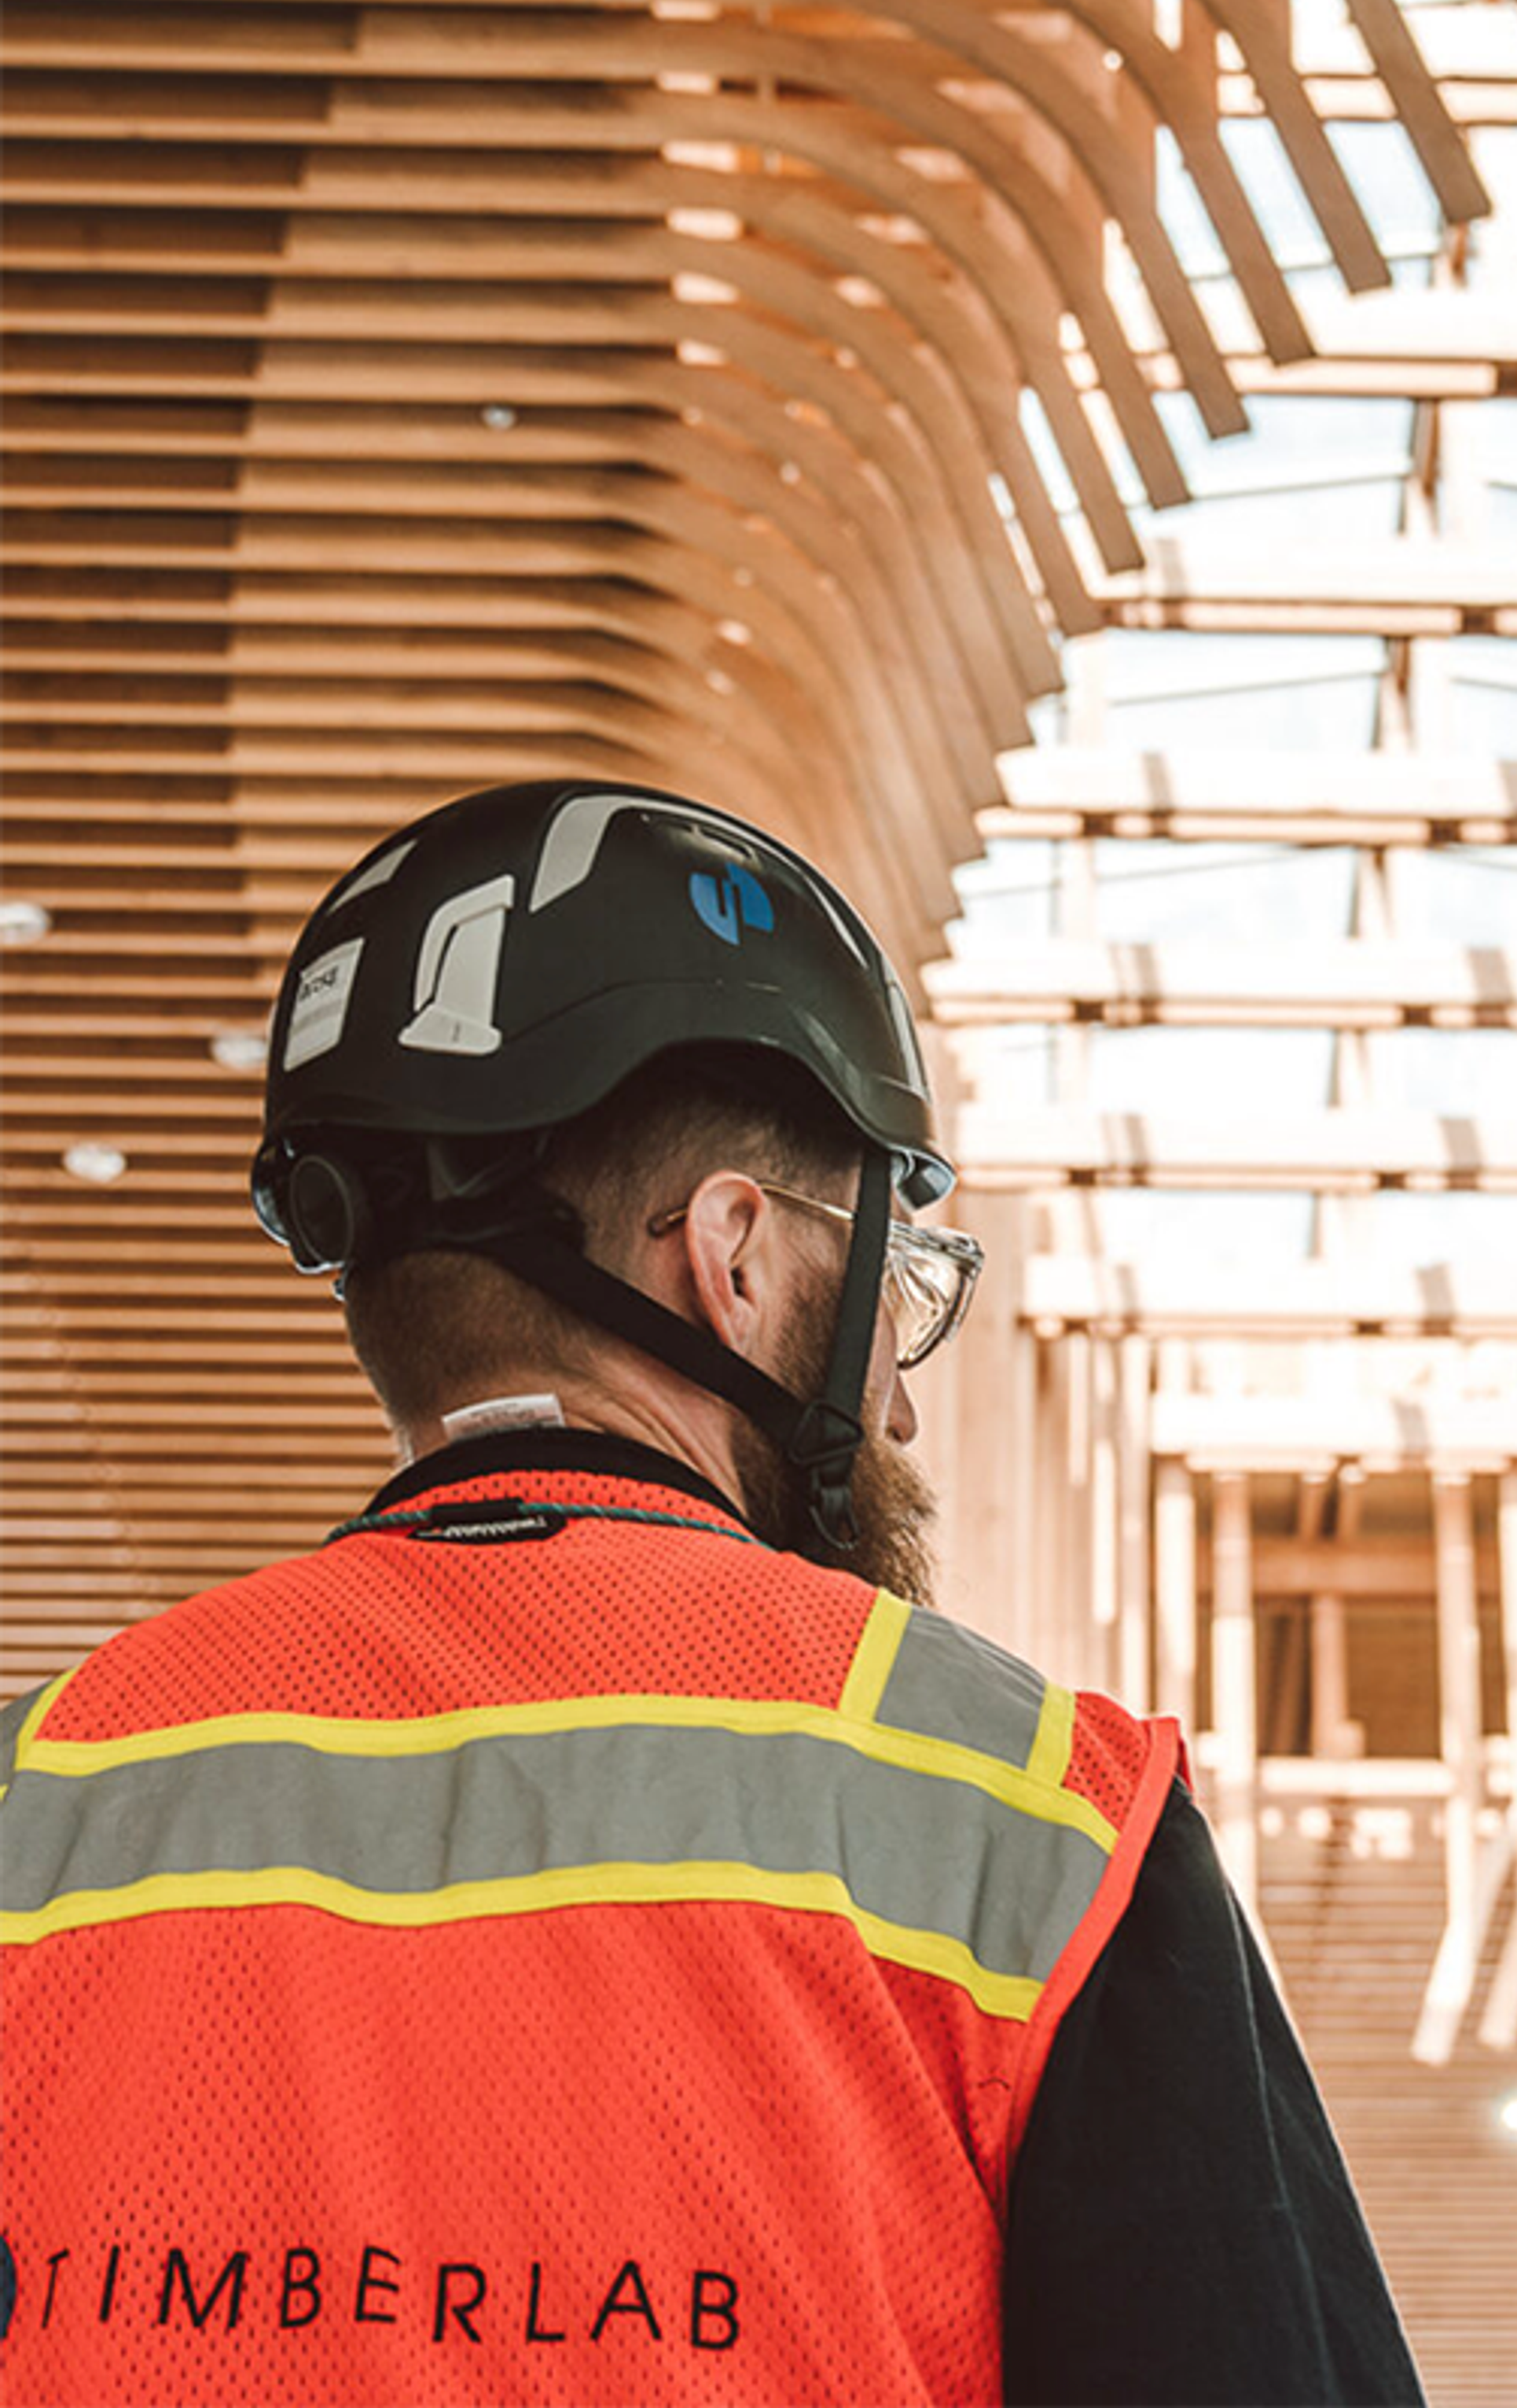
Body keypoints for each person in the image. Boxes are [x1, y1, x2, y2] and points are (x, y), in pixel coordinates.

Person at [0, 781, 1428, 2406]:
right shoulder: (1031, 1827)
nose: (892, 1399)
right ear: (733, 1254)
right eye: (887, 1284)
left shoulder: (42, 1797)